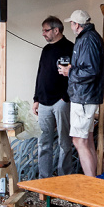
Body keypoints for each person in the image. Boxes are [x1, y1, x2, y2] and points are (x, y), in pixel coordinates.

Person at [58, 10, 104, 177]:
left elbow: (92, 71)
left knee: (79, 141)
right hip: (87, 96)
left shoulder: (87, 40)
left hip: (84, 97)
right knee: (86, 141)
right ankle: (94, 183)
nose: (70, 26)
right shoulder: (92, 37)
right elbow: (102, 69)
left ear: (77, 25)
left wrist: (70, 73)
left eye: (71, 23)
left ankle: (90, 185)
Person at [33, 16, 75, 179]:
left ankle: (65, 179)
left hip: (61, 102)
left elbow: (76, 75)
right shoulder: (46, 50)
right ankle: (45, 179)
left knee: (64, 143)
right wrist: (36, 98)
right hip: (43, 102)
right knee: (43, 142)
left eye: (46, 30)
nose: (43, 33)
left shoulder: (71, 48)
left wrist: (65, 97)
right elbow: (40, 74)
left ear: (56, 30)